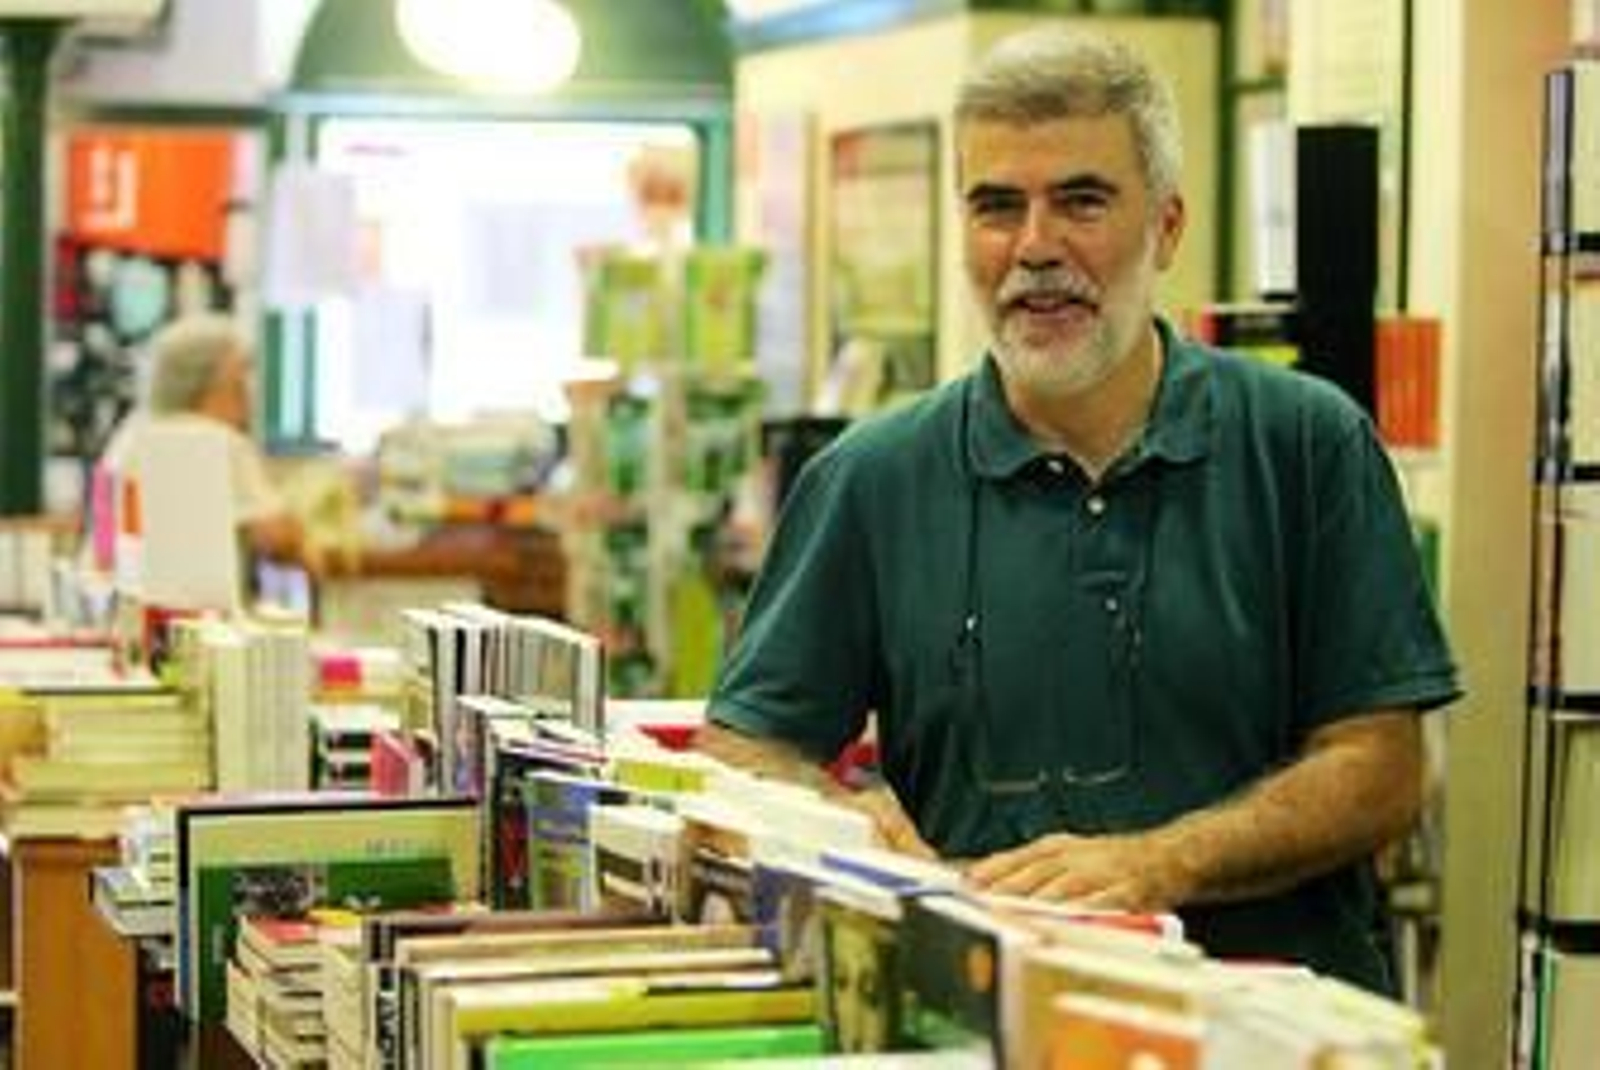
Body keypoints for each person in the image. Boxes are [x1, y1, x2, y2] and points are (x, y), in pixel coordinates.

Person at [697, 26, 1459, 993]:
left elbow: (1384, 768)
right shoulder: (870, 478)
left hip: (1267, 1031)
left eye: (1082, 202)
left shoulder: (1307, 444)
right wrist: (836, 815)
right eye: (996, 207)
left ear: (1168, 227)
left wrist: (1160, 862)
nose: (1035, 248)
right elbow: (748, 746)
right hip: (984, 1022)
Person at [97, 313, 303, 563]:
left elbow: (102, 543)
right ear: (217, 382)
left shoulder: (129, 435)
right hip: (189, 600)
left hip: (111, 595)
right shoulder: (220, 442)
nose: (250, 391)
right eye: (241, 376)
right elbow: (279, 539)